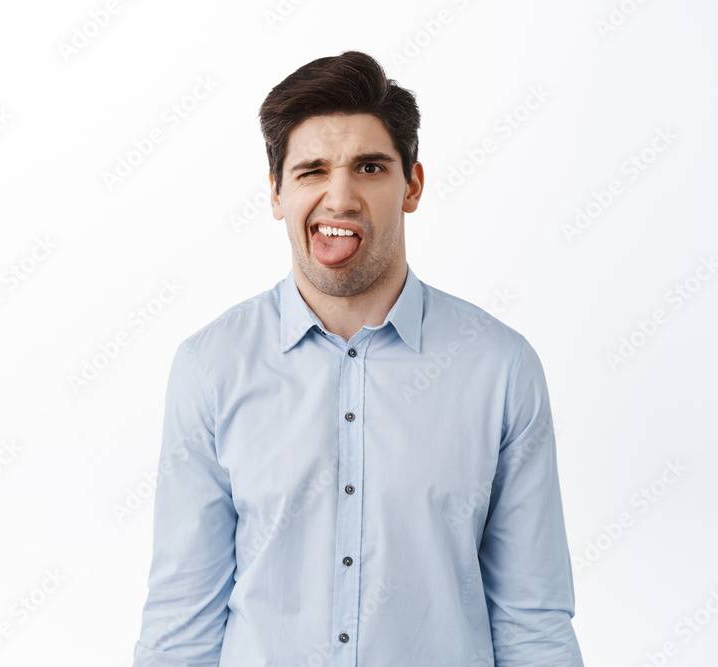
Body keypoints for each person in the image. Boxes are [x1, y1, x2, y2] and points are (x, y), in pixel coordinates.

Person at [131, 50, 583, 666]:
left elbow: (532, 620)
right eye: (312, 170)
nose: (339, 197)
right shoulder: (211, 368)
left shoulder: (499, 369)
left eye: (369, 167)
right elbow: (182, 620)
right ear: (276, 194)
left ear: (412, 185)